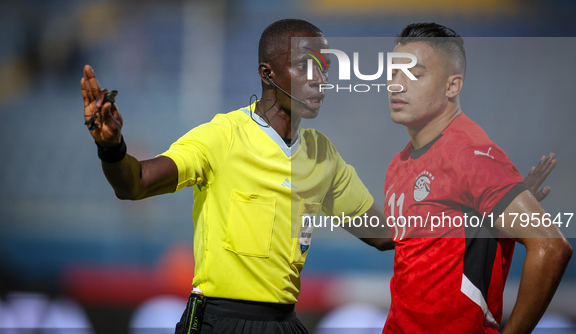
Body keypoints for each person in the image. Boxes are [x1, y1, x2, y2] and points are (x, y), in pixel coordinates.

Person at [80, 19, 395, 334]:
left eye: (324, 67)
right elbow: (136, 183)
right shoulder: (223, 137)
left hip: (284, 325)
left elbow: (382, 234)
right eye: (304, 66)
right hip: (219, 323)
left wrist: (439, 212)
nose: (319, 79)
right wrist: (112, 148)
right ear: (266, 73)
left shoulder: (322, 155)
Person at [382, 22, 572, 333]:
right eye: (393, 73)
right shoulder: (398, 164)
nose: (396, 85)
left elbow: (552, 248)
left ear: (452, 86)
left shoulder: (470, 154)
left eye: (414, 74)